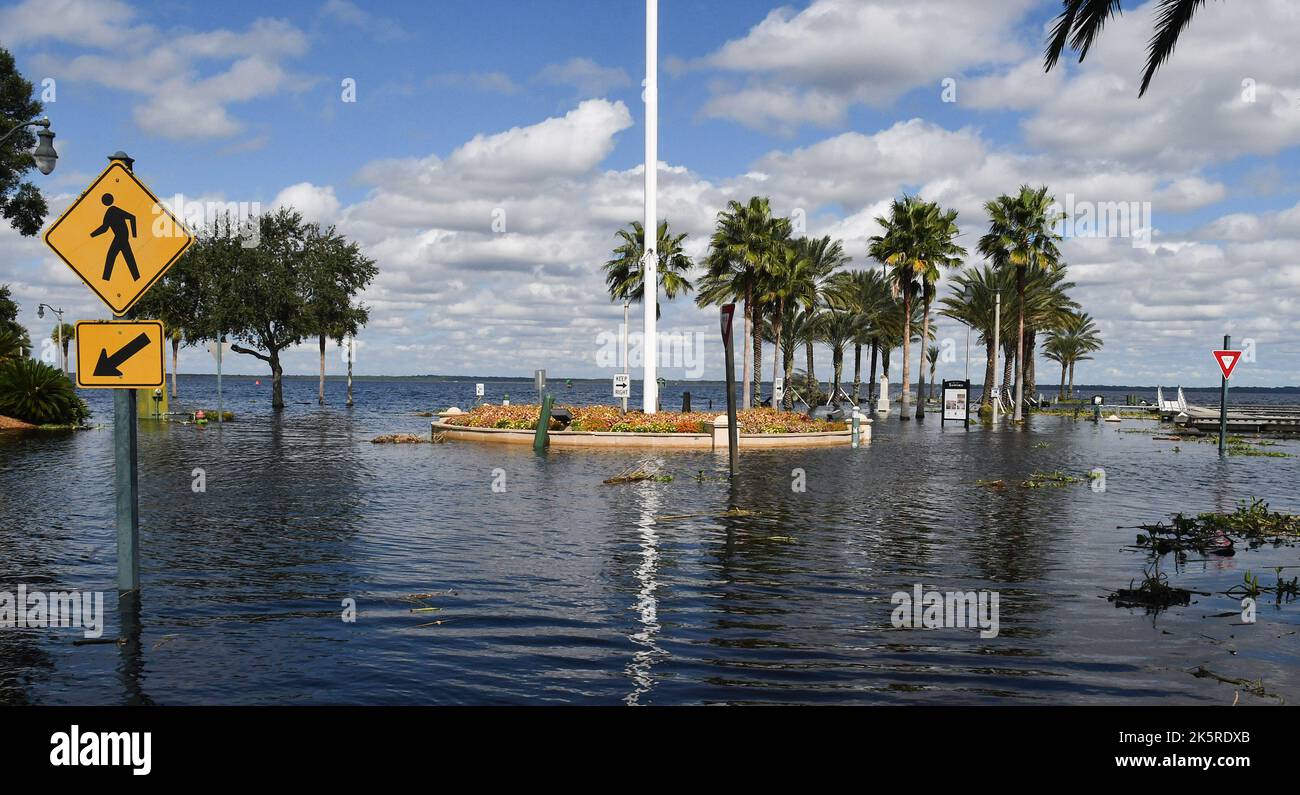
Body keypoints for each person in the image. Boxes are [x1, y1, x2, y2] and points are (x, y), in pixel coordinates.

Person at [90, 193, 139, 281]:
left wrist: (134, 234)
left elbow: (132, 217)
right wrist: (92, 235)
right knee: (128, 257)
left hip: (121, 237)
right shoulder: (111, 211)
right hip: (121, 237)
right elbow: (105, 228)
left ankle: (106, 279)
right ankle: (136, 277)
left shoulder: (113, 210)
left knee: (111, 256)